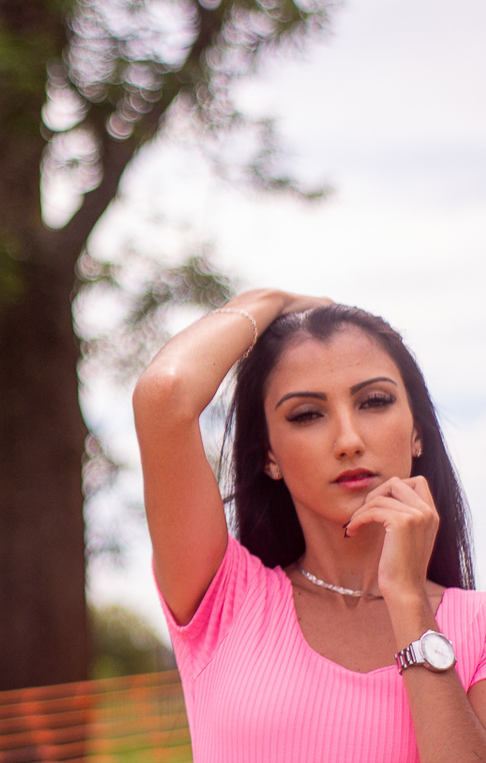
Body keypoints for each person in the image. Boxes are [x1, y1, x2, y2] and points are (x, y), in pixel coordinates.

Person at [132, 289, 486, 763]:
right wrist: (273, 299)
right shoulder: (225, 600)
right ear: (270, 455)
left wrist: (407, 599)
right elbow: (164, 395)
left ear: (417, 430)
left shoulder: (478, 626)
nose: (348, 440)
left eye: (374, 401)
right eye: (307, 414)